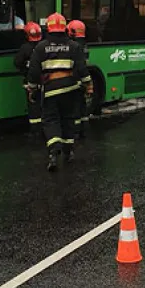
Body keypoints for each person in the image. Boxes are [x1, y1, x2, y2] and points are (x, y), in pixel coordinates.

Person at [27, 13, 92, 172]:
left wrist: (32, 88)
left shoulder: (41, 47)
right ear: (65, 28)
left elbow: (34, 72)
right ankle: (68, 152)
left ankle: (54, 152)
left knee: (51, 120)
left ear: (48, 27)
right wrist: (88, 86)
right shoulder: (74, 46)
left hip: (50, 91)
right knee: (68, 119)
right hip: (70, 90)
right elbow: (82, 69)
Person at [14, 22, 43, 135]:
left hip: (31, 82)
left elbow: (17, 62)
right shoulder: (44, 46)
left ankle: (35, 131)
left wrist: (24, 70)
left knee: (33, 107)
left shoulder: (25, 48)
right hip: (46, 82)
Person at [67, 20, 89, 139]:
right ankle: (84, 130)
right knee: (82, 107)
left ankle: (75, 132)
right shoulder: (84, 45)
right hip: (82, 82)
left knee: (75, 108)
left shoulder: (73, 46)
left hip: (74, 82)